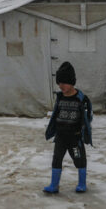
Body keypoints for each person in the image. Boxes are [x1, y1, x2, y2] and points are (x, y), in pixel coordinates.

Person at [43, 61, 93, 194]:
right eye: (59, 83)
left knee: (79, 159)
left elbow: (88, 118)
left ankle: (82, 184)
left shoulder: (81, 99)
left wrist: (83, 131)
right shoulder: (60, 98)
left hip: (74, 138)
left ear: (72, 82)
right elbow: (55, 114)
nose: (61, 86)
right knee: (56, 159)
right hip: (60, 136)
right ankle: (54, 185)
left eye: (64, 82)